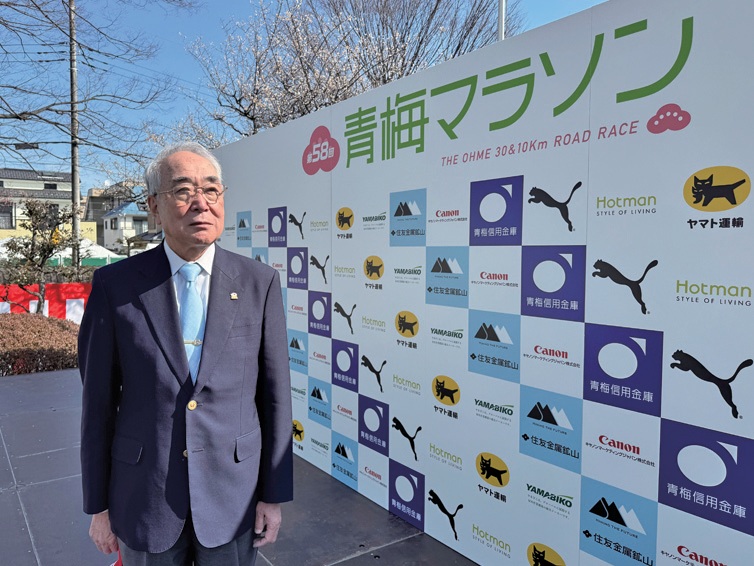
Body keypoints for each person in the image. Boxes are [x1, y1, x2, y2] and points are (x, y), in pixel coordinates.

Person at [79, 141, 293, 565]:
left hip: (233, 494)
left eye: (211, 190)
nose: (201, 203)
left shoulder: (259, 283)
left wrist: (273, 494)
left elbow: (275, 397)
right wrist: (98, 505)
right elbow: (97, 404)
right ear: (154, 207)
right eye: (183, 191)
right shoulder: (115, 286)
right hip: (145, 496)